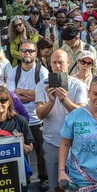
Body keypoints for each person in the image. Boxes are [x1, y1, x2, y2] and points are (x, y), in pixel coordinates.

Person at [35, 49, 87, 190]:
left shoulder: (78, 85)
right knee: (54, 186)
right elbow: (39, 114)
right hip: (52, 142)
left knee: (76, 185)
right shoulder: (41, 85)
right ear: (50, 64)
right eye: (54, 62)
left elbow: (83, 114)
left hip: (75, 143)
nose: (57, 66)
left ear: (68, 63)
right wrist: (51, 101)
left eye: (61, 62)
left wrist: (64, 100)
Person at [6, 40, 49, 191]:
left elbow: (41, 95)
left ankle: (44, 178)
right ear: (20, 53)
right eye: (24, 50)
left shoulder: (42, 71)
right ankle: (26, 176)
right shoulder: (13, 72)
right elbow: (11, 97)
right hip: (20, 118)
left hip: (37, 117)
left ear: (36, 53)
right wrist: (32, 94)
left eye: (30, 51)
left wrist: (20, 92)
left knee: (40, 150)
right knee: (22, 150)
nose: (27, 53)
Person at [0, 86, 34, 192]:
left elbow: (29, 149)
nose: (0, 104)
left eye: (3, 100)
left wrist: (20, 144)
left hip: (16, 176)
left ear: (9, 102)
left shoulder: (20, 121)